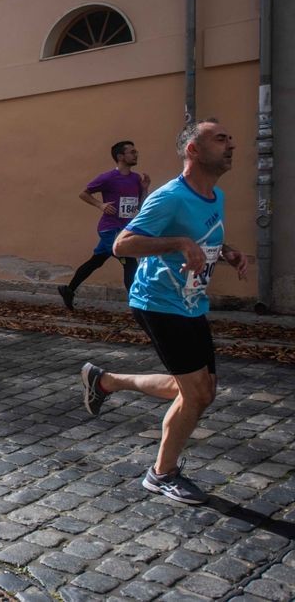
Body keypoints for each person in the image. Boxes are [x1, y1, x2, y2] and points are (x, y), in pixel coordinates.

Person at [80, 119, 246, 505]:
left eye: (230, 138)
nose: (231, 144)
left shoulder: (214, 196)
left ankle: (106, 382)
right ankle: (161, 474)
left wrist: (227, 252)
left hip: (189, 303)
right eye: (221, 138)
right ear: (193, 150)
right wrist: (177, 242)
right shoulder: (169, 196)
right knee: (198, 393)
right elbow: (123, 245)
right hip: (159, 302)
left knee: (196, 391)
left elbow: (202, 242)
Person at [58, 141, 151, 310]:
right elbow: (83, 194)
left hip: (126, 229)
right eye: (132, 152)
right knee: (129, 261)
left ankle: (68, 290)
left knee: (96, 261)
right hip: (110, 228)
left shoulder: (136, 179)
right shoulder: (108, 178)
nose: (136, 154)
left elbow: (140, 205)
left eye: (136, 151)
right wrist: (100, 205)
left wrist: (145, 189)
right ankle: (137, 306)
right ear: (120, 157)